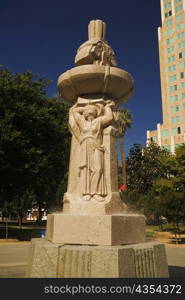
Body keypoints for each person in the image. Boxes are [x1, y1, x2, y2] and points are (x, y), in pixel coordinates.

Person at [70, 100, 115, 202]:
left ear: (96, 112)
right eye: (88, 111)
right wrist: (85, 107)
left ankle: (96, 192)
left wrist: (107, 107)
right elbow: (74, 111)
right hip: (85, 147)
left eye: (92, 110)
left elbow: (109, 117)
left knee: (98, 169)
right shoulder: (82, 122)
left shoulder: (98, 121)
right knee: (86, 170)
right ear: (85, 114)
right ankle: (87, 193)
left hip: (97, 146)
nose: (90, 112)